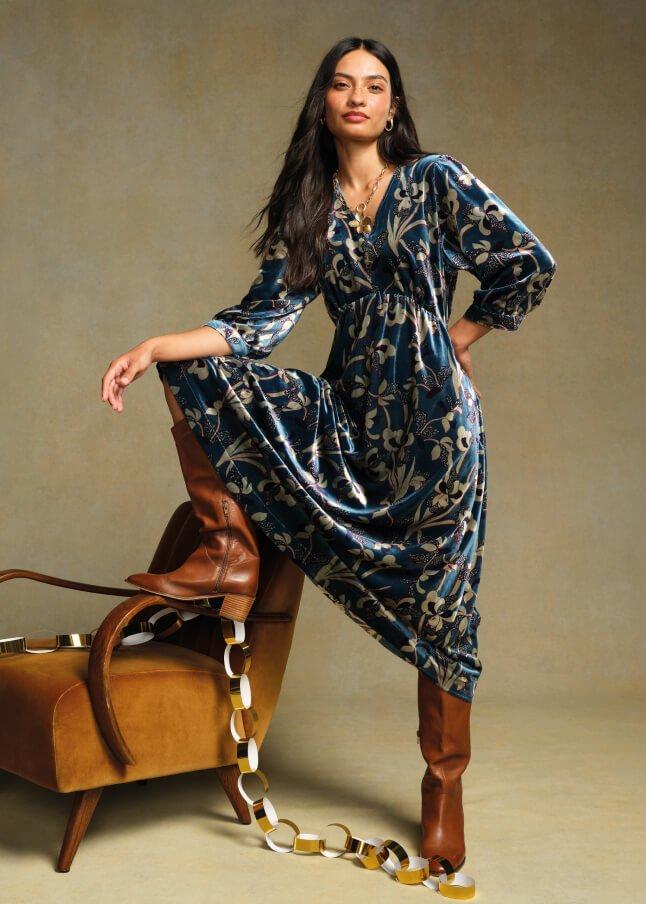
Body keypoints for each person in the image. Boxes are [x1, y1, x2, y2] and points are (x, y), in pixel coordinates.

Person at [100, 37, 557, 876]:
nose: (357, 97)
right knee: (196, 370)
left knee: (444, 607)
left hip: (439, 432)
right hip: (352, 417)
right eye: (343, 85)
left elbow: (528, 263)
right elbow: (255, 328)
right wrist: (156, 345)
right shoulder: (311, 210)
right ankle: (229, 553)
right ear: (324, 103)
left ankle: (443, 788)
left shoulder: (435, 181)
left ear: (392, 106)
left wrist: (456, 339)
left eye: (374, 86)